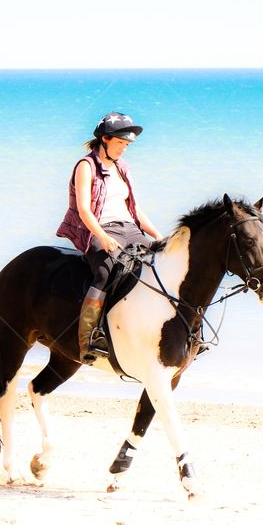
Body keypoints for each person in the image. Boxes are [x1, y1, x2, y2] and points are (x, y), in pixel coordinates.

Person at [56, 112, 163, 362]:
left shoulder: (122, 168)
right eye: (120, 144)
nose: (124, 149)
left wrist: (158, 236)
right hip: (97, 227)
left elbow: (135, 210)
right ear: (104, 139)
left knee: (155, 265)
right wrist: (102, 236)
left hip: (129, 228)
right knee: (106, 270)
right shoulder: (86, 166)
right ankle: (89, 338)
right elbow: (84, 209)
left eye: (127, 145)